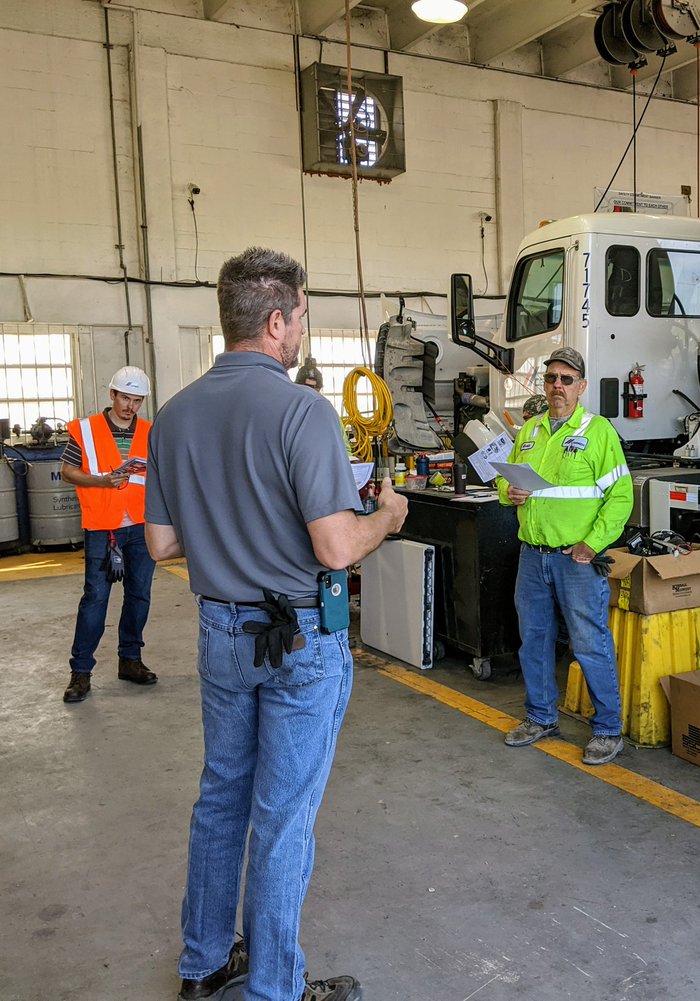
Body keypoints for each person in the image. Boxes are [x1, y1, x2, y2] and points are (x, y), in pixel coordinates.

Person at [144, 247, 409, 1001]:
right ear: (274, 321)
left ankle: (201, 967)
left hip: (222, 632)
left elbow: (162, 543)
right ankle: (274, 989)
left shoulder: (173, 416)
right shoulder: (302, 411)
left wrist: (230, 530)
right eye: (299, 318)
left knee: (222, 794)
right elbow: (334, 544)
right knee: (284, 816)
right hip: (299, 637)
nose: (301, 332)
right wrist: (384, 515)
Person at [497, 346, 633, 766]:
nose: (558, 386)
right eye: (552, 378)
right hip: (532, 556)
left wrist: (593, 543)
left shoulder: (598, 432)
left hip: (575, 561)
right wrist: (510, 492)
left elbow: (621, 496)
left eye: (567, 379)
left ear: (582, 386)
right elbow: (506, 484)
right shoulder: (531, 430)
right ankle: (541, 718)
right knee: (533, 640)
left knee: (590, 643)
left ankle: (608, 729)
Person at [61, 366, 158, 703]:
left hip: (141, 525)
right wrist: (101, 481)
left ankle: (130, 660)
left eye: (137, 400)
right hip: (103, 527)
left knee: (139, 595)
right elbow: (67, 470)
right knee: (95, 598)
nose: (130, 406)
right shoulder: (85, 430)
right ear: (112, 395)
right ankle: (81, 672)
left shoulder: (149, 431)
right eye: (125, 398)